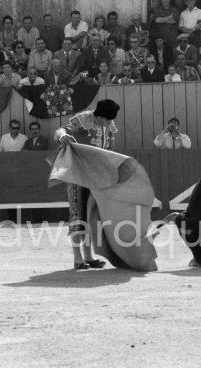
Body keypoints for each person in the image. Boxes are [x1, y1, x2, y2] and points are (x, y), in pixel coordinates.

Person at [55, 99, 120, 269]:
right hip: (78, 175)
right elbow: (60, 130)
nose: (108, 123)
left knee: (92, 217)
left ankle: (89, 256)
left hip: (97, 177)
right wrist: (62, 135)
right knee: (78, 215)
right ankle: (78, 259)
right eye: (106, 120)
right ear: (100, 116)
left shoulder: (108, 124)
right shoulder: (85, 118)